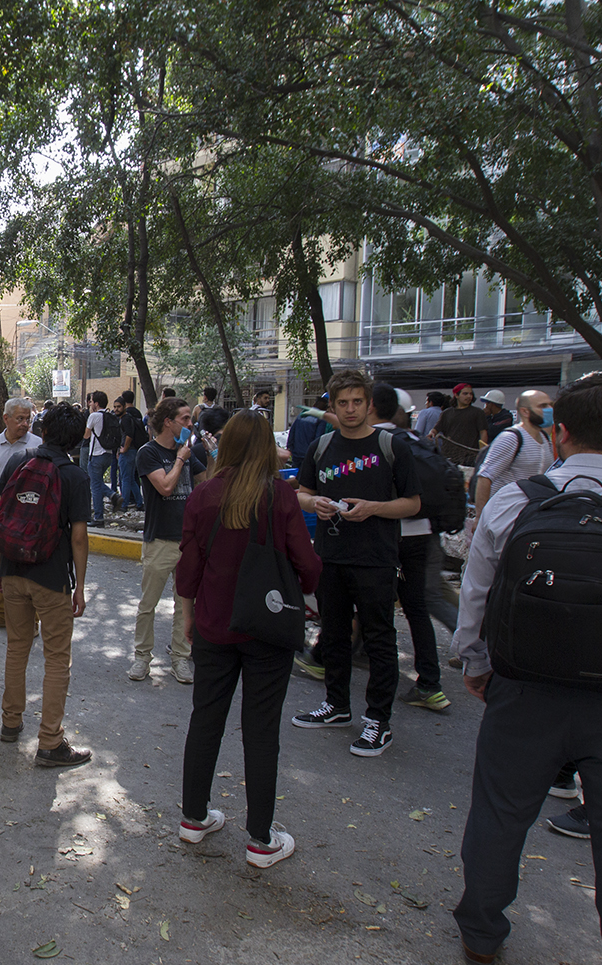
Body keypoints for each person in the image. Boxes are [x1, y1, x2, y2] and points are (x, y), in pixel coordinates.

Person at [450, 370, 602, 965]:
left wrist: (476, 663)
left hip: (524, 689)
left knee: (499, 817)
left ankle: (482, 931)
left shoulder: (518, 502)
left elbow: (477, 594)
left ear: (560, 431)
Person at [174, 409, 322, 867]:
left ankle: (193, 818)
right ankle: (261, 839)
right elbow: (310, 568)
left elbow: (187, 573)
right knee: (261, 732)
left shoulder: (204, 494)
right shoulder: (279, 496)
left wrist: (190, 617)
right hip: (267, 630)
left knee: (205, 720)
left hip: (215, 627)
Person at [292, 369, 422, 757]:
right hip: (331, 556)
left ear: (369, 405)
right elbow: (302, 492)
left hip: (376, 559)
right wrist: (314, 503)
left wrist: (374, 509)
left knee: (380, 640)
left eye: (357, 402)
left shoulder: (391, 445)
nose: (350, 410)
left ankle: (378, 721)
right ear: (332, 406)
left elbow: (413, 503)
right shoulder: (322, 446)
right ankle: (336, 705)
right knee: (332, 635)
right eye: (343, 403)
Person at [0, 401, 93, 767]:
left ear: (45, 429)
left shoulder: (17, 462)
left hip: (13, 570)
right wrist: (79, 586)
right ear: (76, 438)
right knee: (56, 660)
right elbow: (79, 538)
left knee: (17, 648)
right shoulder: (75, 476)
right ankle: (51, 742)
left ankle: (10, 723)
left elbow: (2, 515)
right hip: (51, 578)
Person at [369, 384, 450, 712]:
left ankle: (373, 688)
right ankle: (430, 683)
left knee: (372, 606)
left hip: (387, 534)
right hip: (424, 533)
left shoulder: (374, 444)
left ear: (370, 406)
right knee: (416, 608)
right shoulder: (418, 440)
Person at [129, 397, 210, 682]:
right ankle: (142, 657)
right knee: (148, 603)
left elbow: (209, 482)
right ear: (169, 422)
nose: (191, 424)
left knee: (185, 605)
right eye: (185, 419)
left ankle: (181, 658)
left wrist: (212, 453)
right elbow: (164, 486)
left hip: (189, 541)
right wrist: (180, 459)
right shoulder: (148, 453)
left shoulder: (186, 452)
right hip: (160, 539)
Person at [0, 397, 42, 629]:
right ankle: (2, 612)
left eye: (27, 419)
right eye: (19, 419)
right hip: (0, 517)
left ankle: (31, 620)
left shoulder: (38, 446)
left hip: (28, 519)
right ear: (6, 418)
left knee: (26, 570)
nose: (24, 424)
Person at [473, 390, 553, 511]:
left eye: (549, 405)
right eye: (542, 406)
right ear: (525, 411)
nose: (549, 409)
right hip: (504, 512)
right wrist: (480, 516)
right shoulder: (511, 438)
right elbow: (485, 477)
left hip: (528, 514)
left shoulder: (545, 439)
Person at [430, 383, 488, 466]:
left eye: (470, 394)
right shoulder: (446, 413)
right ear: (456, 395)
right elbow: (436, 428)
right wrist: (431, 433)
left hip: (470, 457)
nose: (469, 396)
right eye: (465, 394)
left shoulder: (477, 412)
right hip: (449, 455)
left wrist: (481, 453)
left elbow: (483, 432)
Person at [83, 390, 119, 527]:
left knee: (95, 486)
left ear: (96, 403)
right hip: (109, 454)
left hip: (96, 455)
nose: (90, 404)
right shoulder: (110, 415)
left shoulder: (94, 416)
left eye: (91, 401)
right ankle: (112, 495)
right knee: (96, 481)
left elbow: (86, 436)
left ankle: (98, 518)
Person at [117, 391, 147, 511]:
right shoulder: (137, 413)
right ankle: (139, 502)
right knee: (131, 479)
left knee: (125, 478)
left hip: (128, 451)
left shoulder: (125, 418)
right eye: (115, 407)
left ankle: (124, 504)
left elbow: (129, 435)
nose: (116, 409)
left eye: (118, 406)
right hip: (134, 450)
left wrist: (124, 448)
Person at [285, 393, 329, 463]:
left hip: (296, 454)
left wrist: (290, 447)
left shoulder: (302, 414)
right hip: (308, 456)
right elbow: (318, 439)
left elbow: (292, 431)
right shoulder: (321, 419)